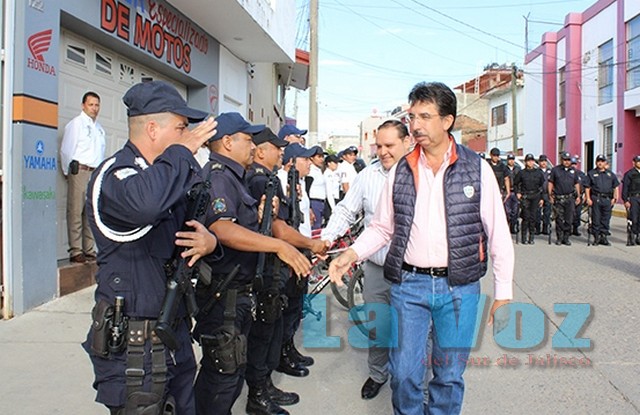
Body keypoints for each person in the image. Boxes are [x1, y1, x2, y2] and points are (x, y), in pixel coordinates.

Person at [329, 82, 514, 414]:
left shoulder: (477, 168)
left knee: (449, 375)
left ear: (447, 121)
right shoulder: (401, 170)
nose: (415, 125)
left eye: (425, 116)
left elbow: (498, 233)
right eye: (412, 116)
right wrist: (351, 253)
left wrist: (503, 293)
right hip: (409, 286)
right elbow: (382, 227)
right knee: (404, 374)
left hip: (459, 287)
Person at [82, 80, 219, 414]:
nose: (188, 136)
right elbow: (146, 205)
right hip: (133, 347)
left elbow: (191, 226)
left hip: (172, 332)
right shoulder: (115, 175)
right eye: (181, 128)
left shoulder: (165, 176)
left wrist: (209, 241)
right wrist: (181, 152)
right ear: (153, 129)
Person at [192, 113, 310, 415]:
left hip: (238, 292)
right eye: (247, 139)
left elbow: (239, 224)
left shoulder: (233, 177)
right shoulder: (219, 176)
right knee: (221, 376)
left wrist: (258, 218)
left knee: (231, 374)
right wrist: (279, 244)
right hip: (224, 293)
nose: (252, 145)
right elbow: (222, 229)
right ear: (228, 142)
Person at [322, 119, 411, 400]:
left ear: (407, 142)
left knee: (416, 332)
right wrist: (327, 238)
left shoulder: (422, 174)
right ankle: (377, 374)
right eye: (379, 146)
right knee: (378, 326)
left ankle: (415, 383)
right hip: (377, 269)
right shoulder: (367, 176)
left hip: (413, 273)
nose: (383, 152)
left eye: (390, 145)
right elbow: (347, 211)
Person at [60, 91, 106, 263]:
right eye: (91, 104)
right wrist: (68, 172)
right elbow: (66, 150)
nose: (94, 108)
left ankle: (89, 249)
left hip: (94, 173)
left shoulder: (99, 129)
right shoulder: (76, 124)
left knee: (90, 212)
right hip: (80, 170)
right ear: (83, 105)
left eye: (97, 105)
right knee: (76, 210)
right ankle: (76, 250)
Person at [584, 154, 619, 246]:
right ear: (596, 162)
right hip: (596, 198)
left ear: (605, 163)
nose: (600, 163)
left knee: (606, 218)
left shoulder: (610, 174)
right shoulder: (591, 173)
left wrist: (615, 197)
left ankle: (604, 237)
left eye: (602, 161)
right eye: (598, 161)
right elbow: (587, 187)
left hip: (607, 199)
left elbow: (615, 186)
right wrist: (588, 198)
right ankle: (596, 237)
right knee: (596, 218)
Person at [548, 152, 581, 246]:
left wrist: (578, 196)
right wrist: (550, 195)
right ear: (561, 160)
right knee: (559, 219)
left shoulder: (573, 171)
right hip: (559, 198)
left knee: (569, 219)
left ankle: (566, 238)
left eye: (568, 160)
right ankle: (559, 237)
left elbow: (576, 183)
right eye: (565, 160)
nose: (566, 162)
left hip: (570, 198)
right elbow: (551, 183)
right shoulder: (555, 170)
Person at [514, 154, 545, 244]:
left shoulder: (538, 173)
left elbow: (542, 186)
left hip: (535, 196)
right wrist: (518, 193)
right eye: (528, 161)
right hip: (526, 196)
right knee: (526, 217)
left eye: (531, 161)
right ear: (525, 162)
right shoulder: (521, 173)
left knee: (533, 217)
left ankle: (531, 237)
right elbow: (516, 184)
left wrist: (542, 198)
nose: (530, 162)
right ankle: (524, 237)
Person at [307, 145, 327, 229]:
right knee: (315, 227)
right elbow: (307, 188)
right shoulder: (310, 170)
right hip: (314, 201)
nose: (322, 159)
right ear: (311, 158)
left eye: (322, 157)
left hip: (321, 202)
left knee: (318, 227)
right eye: (319, 157)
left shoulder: (318, 170)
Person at [622, 155, 640, 245]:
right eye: (638, 161)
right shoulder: (629, 174)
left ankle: (639, 236)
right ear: (634, 163)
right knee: (634, 217)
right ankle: (632, 235)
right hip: (634, 198)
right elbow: (625, 188)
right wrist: (625, 200)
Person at [536, 154, 552, 235]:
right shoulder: (536, 171)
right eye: (542, 161)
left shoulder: (550, 171)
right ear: (539, 162)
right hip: (538, 194)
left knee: (547, 212)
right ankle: (537, 228)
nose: (543, 163)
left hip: (547, 194)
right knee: (537, 212)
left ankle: (545, 228)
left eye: (545, 161)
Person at [571, 155, 587, 237]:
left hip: (579, 196)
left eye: (574, 164)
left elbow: (584, 185)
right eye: (572, 164)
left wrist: (584, 195)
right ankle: (568, 228)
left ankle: (575, 228)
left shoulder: (581, 174)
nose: (573, 165)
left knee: (577, 213)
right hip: (570, 196)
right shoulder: (567, 173)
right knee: (570, 213)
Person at [505, 153, 521, 234]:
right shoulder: (504, 169)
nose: (511, 161)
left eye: (512, 159)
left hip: (515, 192)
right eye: (510, 159)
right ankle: (507, 228)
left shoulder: (518, 169)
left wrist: (519, 192)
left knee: (515, 211)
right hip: (506, 192)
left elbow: (521, 181)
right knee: (507, 211)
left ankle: (513, 227)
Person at [323, 154, 341, 223]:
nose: (337, 164)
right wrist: (333, 208)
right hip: (330, 202)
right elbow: (329, 192)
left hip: (335, 200)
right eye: (335, 162)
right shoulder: (328, 174)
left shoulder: (333, 173)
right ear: (329, 163)